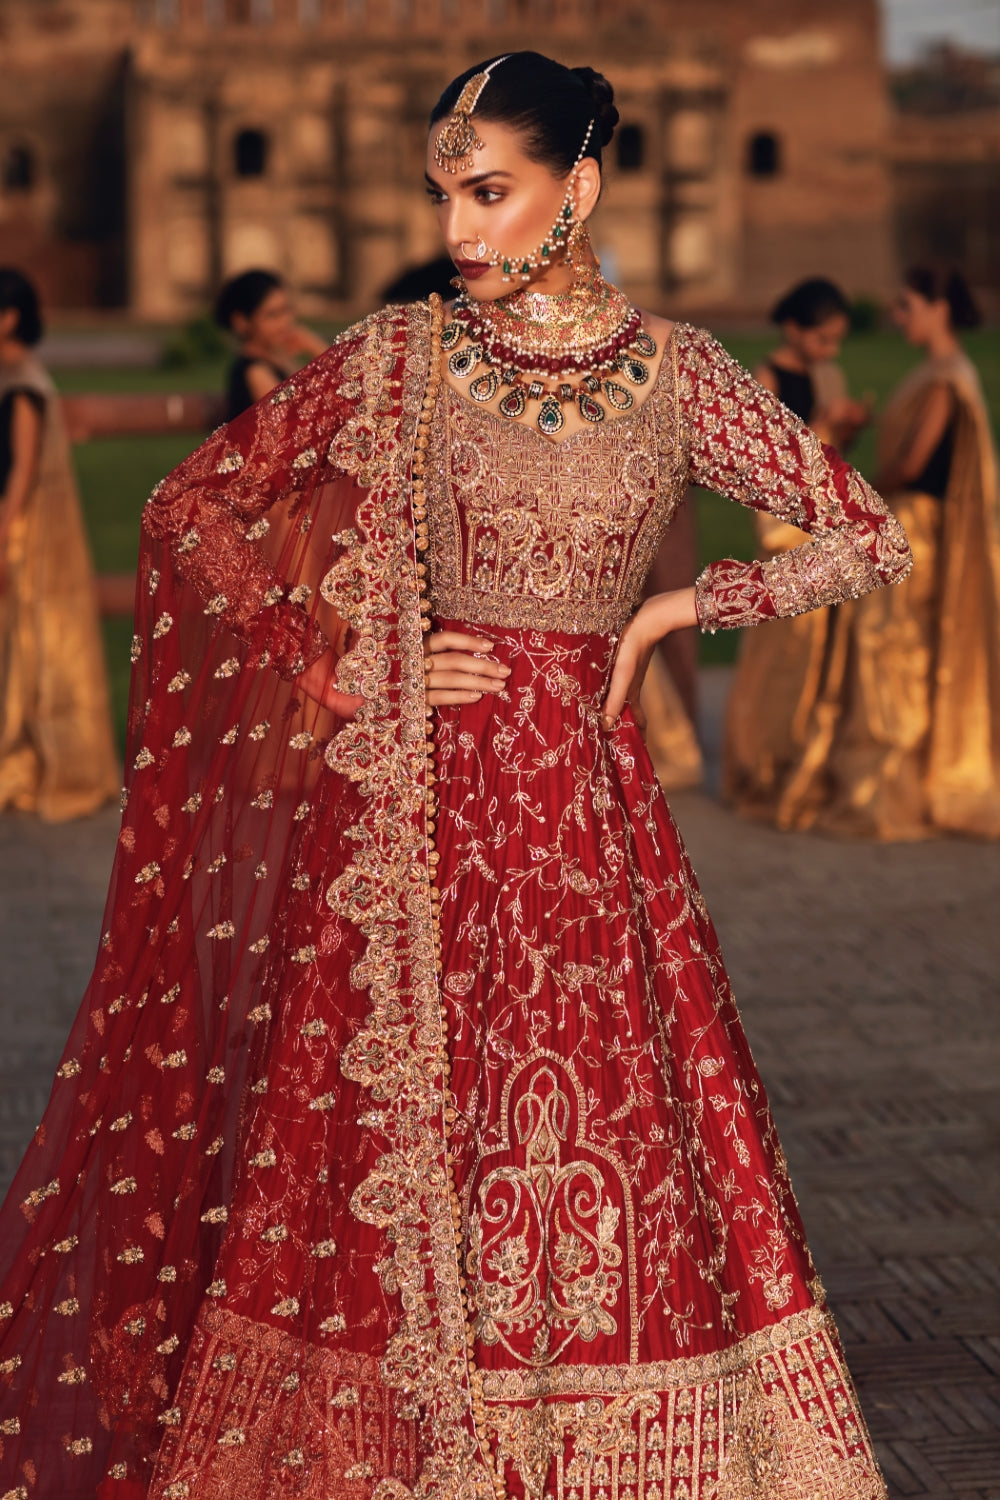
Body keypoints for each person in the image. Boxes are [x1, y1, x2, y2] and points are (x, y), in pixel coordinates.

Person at [0, 55, 912, 1498]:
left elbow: (869, 535)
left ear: (581, 186)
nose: (461, 231)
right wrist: (344, 656)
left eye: (489, 192)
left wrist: (682, 609)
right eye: (447, 197)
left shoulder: (679, 372)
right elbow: (194, 509)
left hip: (596, 824)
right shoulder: (403, 358)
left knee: (615, 1131)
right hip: (415, 825)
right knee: (394, 1134)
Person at [772, 266, 1000, 838]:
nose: (899, 317)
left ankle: (885, 792)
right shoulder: (940, 374)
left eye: (907, 306)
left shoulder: (947, 379)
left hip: (914, 531)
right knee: (892, 656)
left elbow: (913, 466)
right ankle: (889, 784)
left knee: (885, 655)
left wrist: (864, 488)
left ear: (938, 308)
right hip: (912, 526)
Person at [723, 277, 872, 821]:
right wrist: (821, 426)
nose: (829, 352)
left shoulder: (828, 374)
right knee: (780, 647)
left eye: (836, 342)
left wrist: (846, 428)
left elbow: (830, 454)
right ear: (794, 329)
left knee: (824, 646)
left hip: (827, 518)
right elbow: (766, 459)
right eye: (822, 340)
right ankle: (760, 761)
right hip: (786, 523)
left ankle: (809, 755)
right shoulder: (767, 376)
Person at [0, 267, 119, 820]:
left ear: (9, 318)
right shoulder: (16, 374)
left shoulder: (24, 384)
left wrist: (2, 538)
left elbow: (22, 471)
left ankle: (35, 762)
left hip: (19, 531)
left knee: (28, 647)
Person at [214, 267, 327, 421]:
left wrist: (313, 347)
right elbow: (298, 419)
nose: (285, 322)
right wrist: (319, 350)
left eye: (286, 310)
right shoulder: (254, 371)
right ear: (241, 322)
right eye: (272, 315)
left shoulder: (277, 361)